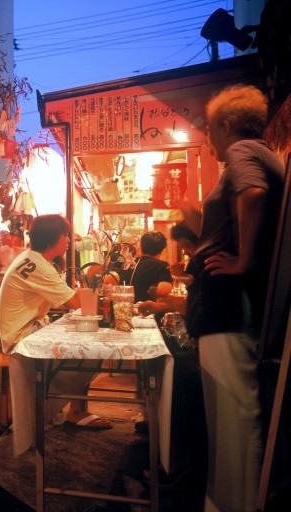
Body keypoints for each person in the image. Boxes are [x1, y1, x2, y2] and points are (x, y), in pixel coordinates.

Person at [183, 84, 285, 512]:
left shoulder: (243, 152)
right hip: (230, 301)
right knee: (231, 408)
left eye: (209, 128)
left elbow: (255, 194)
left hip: (228, 301)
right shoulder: (263, 154)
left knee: (233, 408)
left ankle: (236, 503)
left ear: (226, 126)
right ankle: (227, 499)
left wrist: (243, 260)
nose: (209, 138)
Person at [0, 213, 111, 447]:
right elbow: (74, 302)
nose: (69, 240)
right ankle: (71, 409)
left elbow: (67, 299)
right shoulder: (39, 265)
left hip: (23, 330)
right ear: (55, 238)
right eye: (66, 235)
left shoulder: (33, 259)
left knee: (84, 340)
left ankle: (72, 408)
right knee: (88, 348)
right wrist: (100, 284)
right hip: (22, 338)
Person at [119, 231, 172, 301]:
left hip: (124, 307)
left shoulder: (128, 263)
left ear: (141, 246)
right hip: (147, 309)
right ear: (161, 250)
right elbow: (163, 291)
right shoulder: (162, 265)